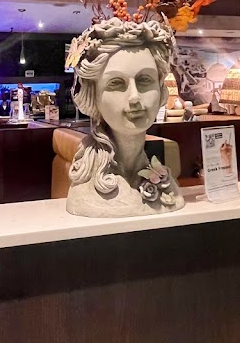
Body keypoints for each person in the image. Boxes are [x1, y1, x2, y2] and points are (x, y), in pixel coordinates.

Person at [67, 18, 184, 216]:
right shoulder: (86, 191)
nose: (134, 97)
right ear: (93, 95)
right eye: (116, 83)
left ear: (161, 89)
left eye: (145, 80)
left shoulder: (162, 182)